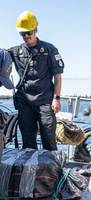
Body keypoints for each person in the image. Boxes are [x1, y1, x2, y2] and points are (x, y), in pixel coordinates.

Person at [8, 11, 64, 150]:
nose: (26, 36)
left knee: (48, 140)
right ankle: (30, 170)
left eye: (29, 32)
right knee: (27, 143)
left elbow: (57, 76)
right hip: (25, 102)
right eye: (23, 33)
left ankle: (50, 170)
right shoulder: (15, 52)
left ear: (36, 30)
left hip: (45, 101)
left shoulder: (50, 49)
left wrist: (56, 98)